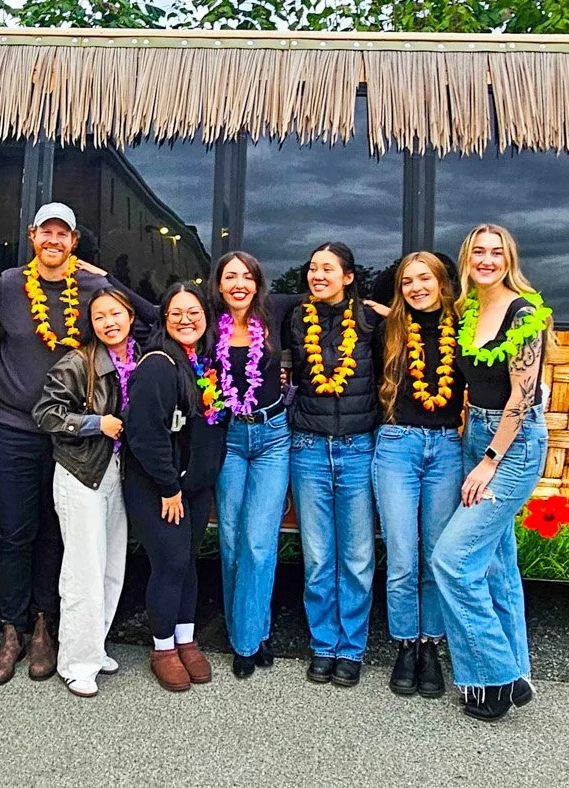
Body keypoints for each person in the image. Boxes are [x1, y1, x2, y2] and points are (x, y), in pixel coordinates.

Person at [0, 202, 157, 685]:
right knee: (15, 533)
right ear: (32, 235)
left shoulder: (94, 287)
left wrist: (106, 277)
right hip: (17, 427)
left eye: (64, 234)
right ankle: (11, 630)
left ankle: (44, 627)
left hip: (75, 437)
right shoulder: (7, 285)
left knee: (56, 535)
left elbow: (147, 318)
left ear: (74, 242)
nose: (55, 241)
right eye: (47, 233)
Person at [431, 224, 551, 722]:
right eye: (478, 251)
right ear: (466, 259)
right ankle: (516, 674)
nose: (486, 259)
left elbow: (522, 399)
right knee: (497, 564)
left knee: (452, 560)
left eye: (495, 252)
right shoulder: (471, 310)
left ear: (509, 259)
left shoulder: (524, 313)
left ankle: (491, 674)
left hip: (511, 445)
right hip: (476, 434)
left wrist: (489, 460)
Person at [281, 241, 383, 687]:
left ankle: (352, 648)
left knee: (358, 557)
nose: (317, 275)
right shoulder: (294, 319)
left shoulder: (371, 321)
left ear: (348, 276)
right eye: (312, 268)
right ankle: (323, 645)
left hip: (360, 448)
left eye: (328, 269)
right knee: (319, 557)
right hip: (307, 448)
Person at [33, 288, 136, 698]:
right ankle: (76, 663)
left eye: (116, 314)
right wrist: (97, 423)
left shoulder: (140, 358)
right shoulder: (78, 362)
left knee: (112, 566)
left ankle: (95, 646)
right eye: (99, 317)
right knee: (83, 572)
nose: (109, 322)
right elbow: (45, 413)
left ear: (129, 316)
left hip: (117, 473)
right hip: (81, 474)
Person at [123, 282, 227, 692]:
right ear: (164, 319)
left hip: (193, 485)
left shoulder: (201, 362)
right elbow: (146, 434)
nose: (186, 319)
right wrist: (169, 486)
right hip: (159, 487)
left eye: (194, 312)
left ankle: (186, 638)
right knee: (169, 562)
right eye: (176, 313)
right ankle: (162, 647)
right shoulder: (158, 365)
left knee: (187, 559)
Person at [371, 251, 463, 700]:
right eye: (407, 281)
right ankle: (406, 646)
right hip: (396, 448)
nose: (415, 287)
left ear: (442, 283)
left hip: (446, 447)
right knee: (403, 557)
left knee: (434, 557)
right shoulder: (386, 330)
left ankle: (432, 647)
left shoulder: (464, 329)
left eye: (424, 278)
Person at [208, 251, 289, 679]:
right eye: (230, 276)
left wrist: (384, 306)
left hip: (273, 437)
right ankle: (248, 626)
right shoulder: (206, 325)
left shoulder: (275, 317)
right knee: (232, 540)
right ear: (219, 284)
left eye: (247, 276)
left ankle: (248, 639)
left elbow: (332, 300)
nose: (239, 283)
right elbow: (152, 311)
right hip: (230, 438)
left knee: (259, 542)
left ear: (257, 283)